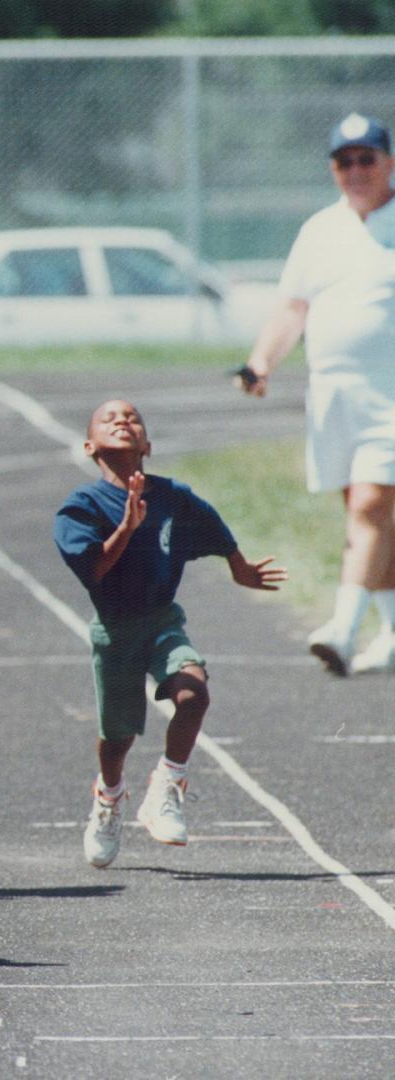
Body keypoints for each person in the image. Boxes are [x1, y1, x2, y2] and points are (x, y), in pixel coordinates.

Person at [55, 399, 285, 869]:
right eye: (109, 418)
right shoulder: (80, 507)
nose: (122, 420)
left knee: (193, 693)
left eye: (133, 417)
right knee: (117, 737)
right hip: (115, 630)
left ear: (148, 445)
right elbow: (94, 567)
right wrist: (125, 527)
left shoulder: (172, 497)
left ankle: (167, 785)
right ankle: (109, 796)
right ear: (89, 446)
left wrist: (238, 566)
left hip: (162, 620)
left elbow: (213, 527)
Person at [239, 112, 395, 676]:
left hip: (391, 395)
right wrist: (261, 362)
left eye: (366, 159)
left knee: (371, 506)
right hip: (334, 398)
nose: (355, 170)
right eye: (344, 161)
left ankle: (344, 630)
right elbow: (293, 307)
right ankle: (394, 631)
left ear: (389, 162)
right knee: (365, 514)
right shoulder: (319, 231)